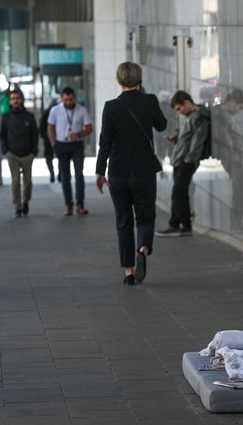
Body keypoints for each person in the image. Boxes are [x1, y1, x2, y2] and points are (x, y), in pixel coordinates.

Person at [95, 61, 167, 285]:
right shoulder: (150, 101)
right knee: (145, 215)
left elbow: (105, 142)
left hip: (118, 172)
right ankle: (142, 249)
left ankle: (128, 271)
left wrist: (99, 171)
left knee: (123, 220)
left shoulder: (111, 107)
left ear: (119, 80)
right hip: (144, 170)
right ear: (139, 78)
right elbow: (162, 126)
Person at [155, 90, 210, 237]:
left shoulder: (199, 117)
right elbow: (187, 135)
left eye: (180, 109)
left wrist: (189, 159)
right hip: (181, 159)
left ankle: (175, 224)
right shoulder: (190, 116)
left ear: (186, 102)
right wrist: (176, 137)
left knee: (178, 192)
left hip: (187, 160)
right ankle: (185, 226)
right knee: (181, 192)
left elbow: (198, 140)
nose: (180, 112)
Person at [212, 89, 243, 229]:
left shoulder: (225, 116)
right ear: (233, 102)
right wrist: (238, 147)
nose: (239, 111)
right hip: (233, 159)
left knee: (241, 190)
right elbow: (224, 140)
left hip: (234, 157)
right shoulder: (221, 116)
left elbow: (229, 138)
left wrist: (242, 140)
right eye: (240, 107)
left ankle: (241, 221)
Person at [47, 86, 93, 216]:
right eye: (66, 100)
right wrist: (53, 144)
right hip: (61, 145)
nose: (68, 102)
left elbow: (89, 128)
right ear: (62, 98)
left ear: (74, 98)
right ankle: (68, 204)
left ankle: (80, 204)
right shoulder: (55, 110)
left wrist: (79, 134)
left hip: (77, 145)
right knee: (65, 177)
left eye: (70, 99)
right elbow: (50, 127)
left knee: (79, 175)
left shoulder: (81, 110)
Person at [0, 89, 39, 218]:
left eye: (17, 98)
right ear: (10, 101)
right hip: (13, 154)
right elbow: (2, 135)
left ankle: (26, 201)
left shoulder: (29, 116)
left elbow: (35, 134)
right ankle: (17, 206)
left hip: (27, 154)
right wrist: (6, 151)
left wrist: (34, 150)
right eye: (12, 99)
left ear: (21, 100)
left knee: (27, 182)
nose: (15, 101)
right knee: (15, 181)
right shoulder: (6, 117)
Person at [39, 98, 59, 183]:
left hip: (50, 138)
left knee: (49, 157)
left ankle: (52, 173)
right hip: (55, 137)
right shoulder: (57, 112)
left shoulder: (47, 111)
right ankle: (58, 173)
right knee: (60, 156)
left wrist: (43, 135)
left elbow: (41, 125)